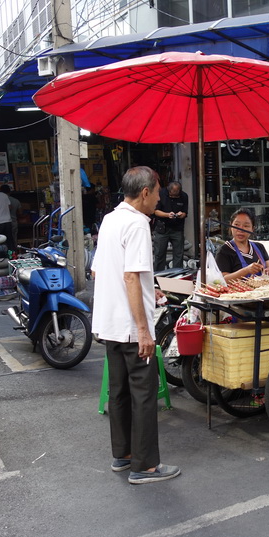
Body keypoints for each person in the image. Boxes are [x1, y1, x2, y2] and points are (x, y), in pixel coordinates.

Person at [90, 166, 180, 485]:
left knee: (119, 392)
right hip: (130, 326)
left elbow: (101, 272)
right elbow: (130, 275)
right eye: (157, 193)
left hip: (109, 322)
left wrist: (147, 289)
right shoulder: (138, 223)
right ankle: (145, 466)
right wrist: (143, 329)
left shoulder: (111, 219)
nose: (159, 198)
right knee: (143, 393)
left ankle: (123, 455)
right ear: (145, 193)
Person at [215, 208, 269, 282]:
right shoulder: (224, 251)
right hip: (237, 293)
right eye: (237, 225)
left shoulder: (259, 247)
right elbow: (223, 280)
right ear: (231, 226)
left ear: (252, 229)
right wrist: (246, 270)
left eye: (246, 226)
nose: (240, 230)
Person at [153, 181, 188, 271]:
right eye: (172, 195)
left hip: (177, 228)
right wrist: (167, 215)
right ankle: (158, 276)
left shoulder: (184, 196)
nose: (174, 197)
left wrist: (181, 215)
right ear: (169, 191)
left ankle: (177, 275)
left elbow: (185, 213)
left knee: (178, 254)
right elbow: (155, 211)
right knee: (159, 253)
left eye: (176, 195)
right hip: (162, 228)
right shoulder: (160, 194)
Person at [0, 185, 21, 250]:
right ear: (10, 191)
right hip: (14, 221)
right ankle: (14, 252)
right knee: (14, 238)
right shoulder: (16, 201)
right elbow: (20, 212)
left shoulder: (0, 201)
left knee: (3, 239)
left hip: (3, 222)